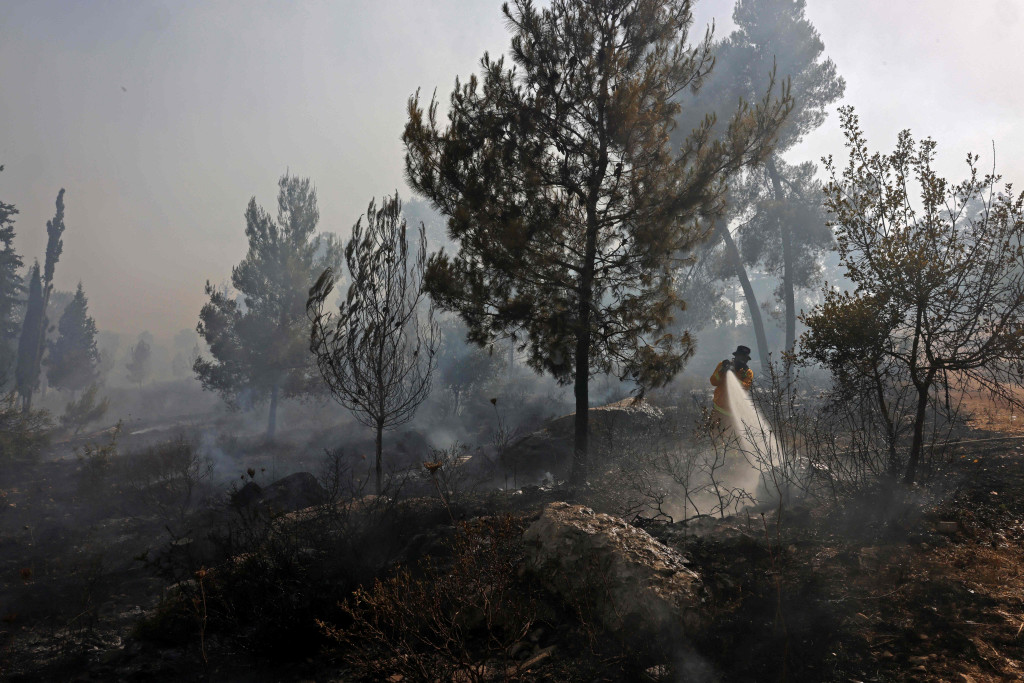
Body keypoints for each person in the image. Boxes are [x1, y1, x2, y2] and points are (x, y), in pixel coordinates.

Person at [709, 345, 754, 424]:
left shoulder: (748, 373)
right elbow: (713, 381)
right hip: (718, 410)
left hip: (735, 415)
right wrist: (722, 370)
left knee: (731, 436)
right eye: (741, 357)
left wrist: (734, 377)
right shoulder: (723, 365)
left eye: (744, 359)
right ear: (735, 357)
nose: (742, 361)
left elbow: (745, 388)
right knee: (715, 435)